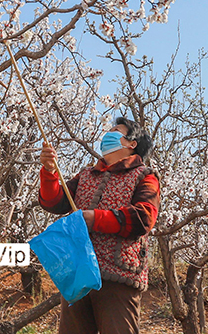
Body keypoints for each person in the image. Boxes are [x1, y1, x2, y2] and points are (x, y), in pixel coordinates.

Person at [39, 116, 159, 334]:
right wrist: (49, 172)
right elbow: (55, 201)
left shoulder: (145, 176)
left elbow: (144, 218)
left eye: (115, 131)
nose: (108, 135)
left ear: (132, 144)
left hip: (118, 276)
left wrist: (93, 218)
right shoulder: (87, 175)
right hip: (79, 275)